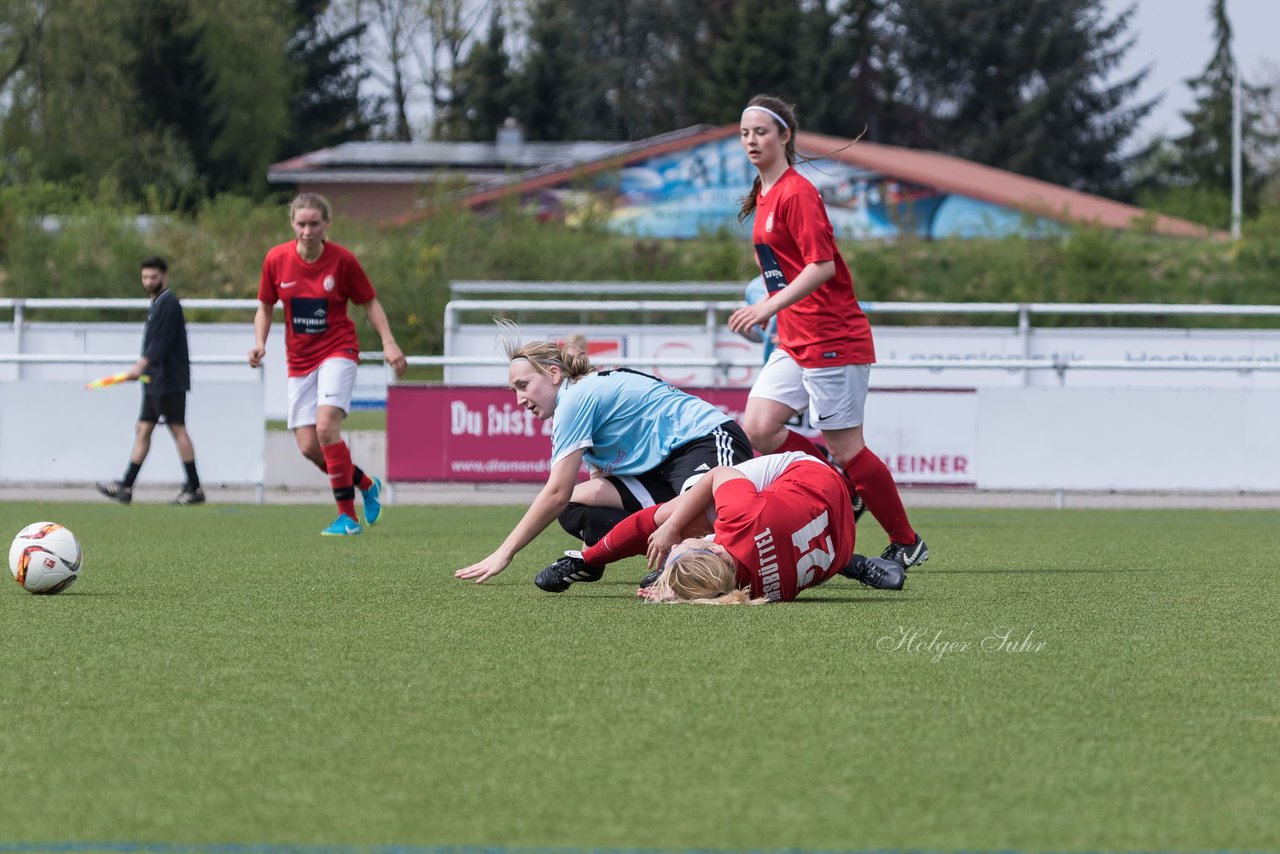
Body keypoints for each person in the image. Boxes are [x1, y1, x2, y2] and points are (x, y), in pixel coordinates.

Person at [727, 94, 928, 570]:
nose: (752, 140)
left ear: (784, 136)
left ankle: (906, 541)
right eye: (745, 133)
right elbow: (787, 269)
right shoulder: (765, 193)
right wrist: (770, 309)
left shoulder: (797, 192)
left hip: (831, 336)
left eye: (761, 132)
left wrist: (764, 308)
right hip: (796, 337)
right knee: (758, 426)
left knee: (847, 447)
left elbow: (820, 267)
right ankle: (838, 483)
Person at [454, 321, 754, 591]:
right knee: (575, 505)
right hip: (663, 469)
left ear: (554, 374)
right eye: (514, 391)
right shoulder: (576, 401)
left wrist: (504, 553)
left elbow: (555, 492)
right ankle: (637, 556)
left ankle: (692, 558)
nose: (520, 399)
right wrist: (592, 555)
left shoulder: (575, 399)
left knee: (709, 510)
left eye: (524, 385)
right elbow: (592, 484)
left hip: (707, 440)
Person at [535, 452, 903, 601]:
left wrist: (677, 588)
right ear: (712, 545)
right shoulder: (740, 521)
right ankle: (588, 558)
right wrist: (673, 529)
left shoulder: (758, 592)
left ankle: (849, 563)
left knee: (671, 520)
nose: (666, 557)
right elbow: (718, 475)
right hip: (813, 477)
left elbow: (716, 591)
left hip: (832, 540)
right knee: (669, 517)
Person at [248, 192, 407, 536]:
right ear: (292, 224)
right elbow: (264, 306)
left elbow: (370, 303)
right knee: (308, 447)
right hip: (299, 360)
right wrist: (259, 343)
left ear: (326, 225)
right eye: (301, 223)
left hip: (339, 350)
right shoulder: (276, 259)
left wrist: (389, 342)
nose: (307, 230)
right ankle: (366, 483)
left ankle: (347, 517)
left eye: (314, 224)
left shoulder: (343, 261)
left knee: (325, 429)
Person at [96, 257, 205, 506]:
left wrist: (140, 366)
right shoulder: (157, 304)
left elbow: (161, 343)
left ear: (164, 277)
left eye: (153, 277)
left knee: (177, 429)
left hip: (168, 381)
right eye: (145, 277)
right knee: (143, 429)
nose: (149, 282)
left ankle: (194, 488)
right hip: (155, 381)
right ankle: (126, 487)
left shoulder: (169, 303)